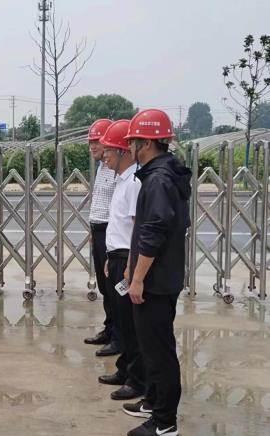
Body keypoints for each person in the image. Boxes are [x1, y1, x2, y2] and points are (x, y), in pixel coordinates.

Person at [122, 109, 191, 436]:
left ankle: (165, 423)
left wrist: (138, 278)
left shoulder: (160, 180)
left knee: (159, 351)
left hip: (156, 282)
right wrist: (131, 264)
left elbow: (154, 232)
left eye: (133, 141)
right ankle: (153, 402)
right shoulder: (162, 174)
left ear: (147, 143)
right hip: (160, 277)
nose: (130, 147)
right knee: (153, 347)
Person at [96, 120, 145, 402]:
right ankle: (125, 369)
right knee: (122, 320)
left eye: (109, 150)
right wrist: (110, 257)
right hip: (117, 257)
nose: (105, 156)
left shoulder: (134, 183)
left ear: (124, 151)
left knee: (131, 323)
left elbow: (137, 228)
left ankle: (137, 380)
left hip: (127, 258)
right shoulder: (121, 180)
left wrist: (129, 264)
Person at [83, 118, 120, 357]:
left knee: (114, 286)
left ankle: (119, 337)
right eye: (90, 142)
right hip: (99, 231)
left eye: (96, 141)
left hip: (111, 232)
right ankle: (110, 328)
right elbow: (99, 201)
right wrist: (92, 231)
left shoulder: (119, 169)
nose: (92, 147)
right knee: (105, 286)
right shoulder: (102, 167)